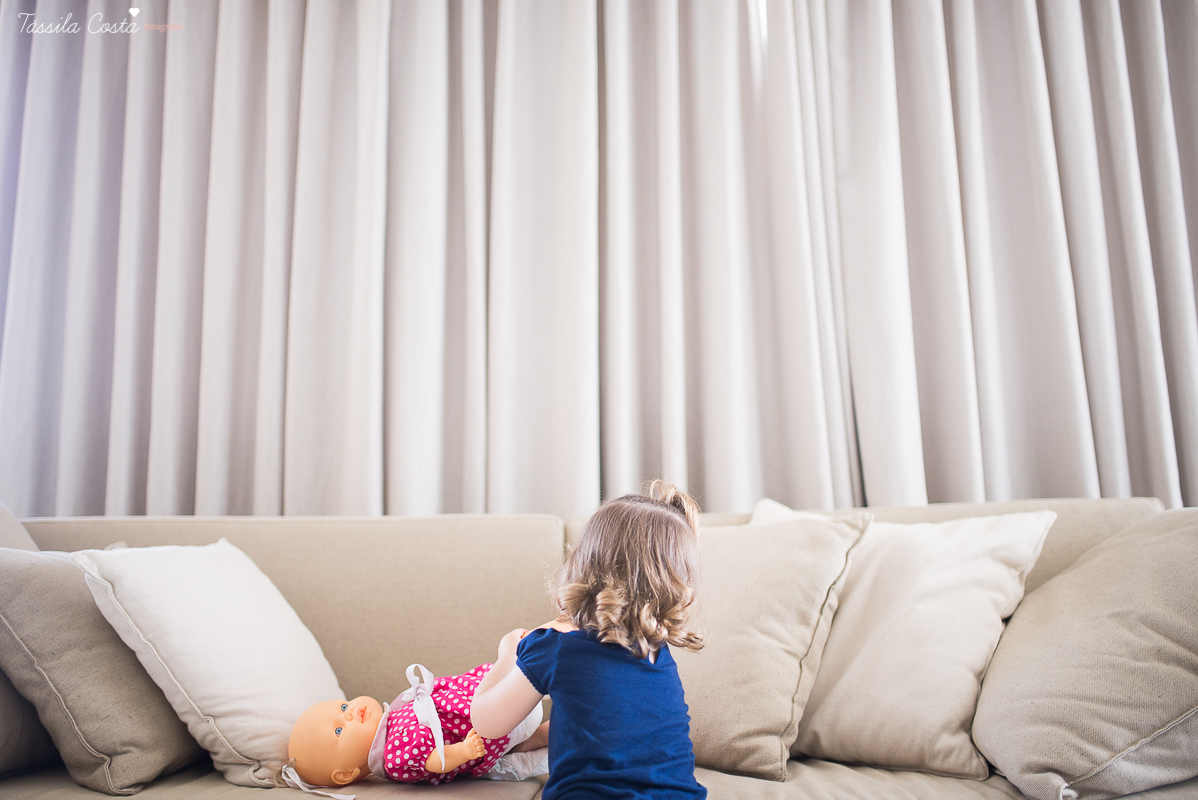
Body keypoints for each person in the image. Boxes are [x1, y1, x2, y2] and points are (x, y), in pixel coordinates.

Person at [471, 481, 708, 799]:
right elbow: (608, 726)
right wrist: (537, 738)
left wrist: (508, 655)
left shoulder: (554, 648)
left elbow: (485, 722)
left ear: (582, 565)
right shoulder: (657, 655)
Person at [284, 662, 548, 793]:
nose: (350, 712)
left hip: (487, 706)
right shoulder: (394, 756)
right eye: (339, 730)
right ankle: (540, 723)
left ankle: (535, 711)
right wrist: (463, 751)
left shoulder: (393, 720)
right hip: (492, 725)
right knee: (519, 724)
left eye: (343, 707)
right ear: (345, 774)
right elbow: (435, 760)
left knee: (520, 708)